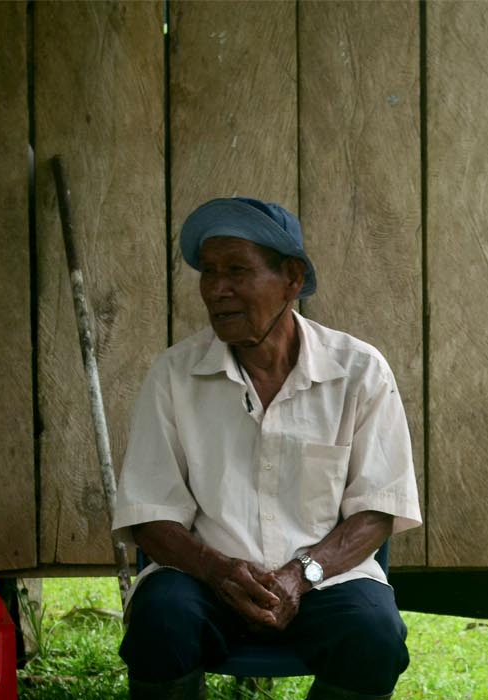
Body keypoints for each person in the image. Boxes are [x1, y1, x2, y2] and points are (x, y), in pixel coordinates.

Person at [113, 197, 422, 700]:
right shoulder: (174, 374)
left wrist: (302, 574)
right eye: (208, 272)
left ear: (292, 278)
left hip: (324, 580)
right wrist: (218, 569)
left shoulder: (360, 371)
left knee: (374, 633)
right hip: (202, 579)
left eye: (237, 269)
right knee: (160, 620)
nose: (217, 289)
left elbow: (378, 509)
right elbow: (150, 513)